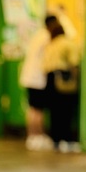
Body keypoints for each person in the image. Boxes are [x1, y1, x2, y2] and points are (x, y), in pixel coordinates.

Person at [43, 18, 82, 152]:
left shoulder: (51, 45)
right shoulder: (68, 44)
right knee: (66, 111)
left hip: (49, 79)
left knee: (55, 112)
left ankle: (55, 140)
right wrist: (76, 79)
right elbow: (74, 63)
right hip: (63, 78)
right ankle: (67, 140)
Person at [20, 22, 53, 151]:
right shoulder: (46, 36)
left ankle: (31, 136)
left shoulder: (37, 35)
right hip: (37, 79)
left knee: (32, 109)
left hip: (28, 78)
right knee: (38, 110)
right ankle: (38, 136)